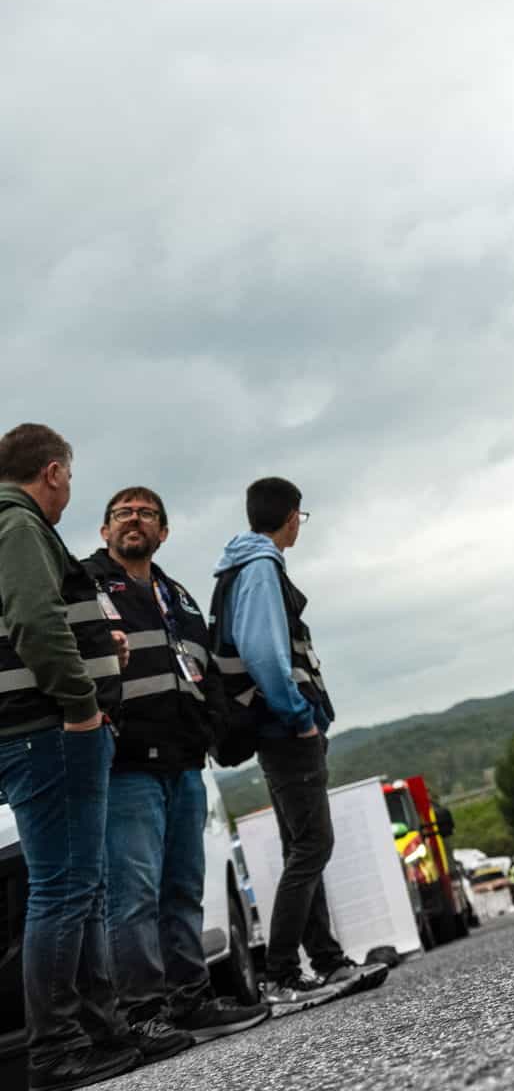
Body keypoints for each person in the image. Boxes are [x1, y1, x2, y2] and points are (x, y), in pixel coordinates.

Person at [0, 425, 190, 1091]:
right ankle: (56, 1049)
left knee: (83, 888)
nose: (69, 490)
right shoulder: (18, 524)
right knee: (64, 889)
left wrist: (98, 640)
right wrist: (81, 701)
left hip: (40, 728)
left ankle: (103, 1032)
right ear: (53, 472)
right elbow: (30, 617)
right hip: (48, 730)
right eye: (71, 478)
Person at [84, 487, 268, 1044]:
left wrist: (213, 732)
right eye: (123, 514)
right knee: (133, 896)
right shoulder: (85, 585)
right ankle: (143, 1014)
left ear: (163, 533)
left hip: (186, 765)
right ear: (104, 531)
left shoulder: (181, 598)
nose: (134, 521)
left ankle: (191, 1001)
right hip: (127, 766)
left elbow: (207, 674)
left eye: (146, 515)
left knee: (183, 890)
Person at [210, 476, 383, 1012]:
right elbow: (264, 652)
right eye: (300, 518)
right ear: (291, 516)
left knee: (299, 846)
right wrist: (299, 715)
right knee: (313, 845)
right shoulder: (261, 569)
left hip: (274, 729)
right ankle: (284, 971)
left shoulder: (241, 566)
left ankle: (325, 960)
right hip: (286, 729)